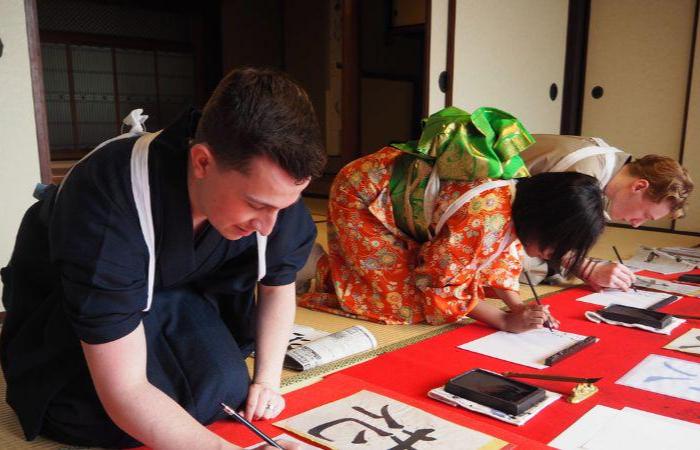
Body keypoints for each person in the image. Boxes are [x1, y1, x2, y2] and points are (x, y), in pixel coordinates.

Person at [0, 67, 326, 449]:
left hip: (173, 295)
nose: (269, 226)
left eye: (282, 207)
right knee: (95, 420)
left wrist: (267, 381)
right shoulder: (107, 200)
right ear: (202, 162)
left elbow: (277, 282)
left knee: (223, 387)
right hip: (70, 312)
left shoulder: (270, 192)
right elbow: (125, 388)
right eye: (256, 205)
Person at [298, 107, 605, 331]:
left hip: (393, 194)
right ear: (543, 219)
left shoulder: (520, 197)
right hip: (364, 194)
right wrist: (502, 320)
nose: (553, 255)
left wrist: (518, 306)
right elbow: (437, 283)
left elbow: (499, 260)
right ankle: (312, 267)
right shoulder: (486, 218)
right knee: (405, 305)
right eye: (555, 245)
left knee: (465, 288)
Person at [520, 134, 694, 290]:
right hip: (496, 208)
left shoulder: (612, 164)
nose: (636, 224)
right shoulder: (584, 173)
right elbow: (544, 234)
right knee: (533, 265)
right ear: (639, 186)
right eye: (645, 215)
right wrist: (588, 269)